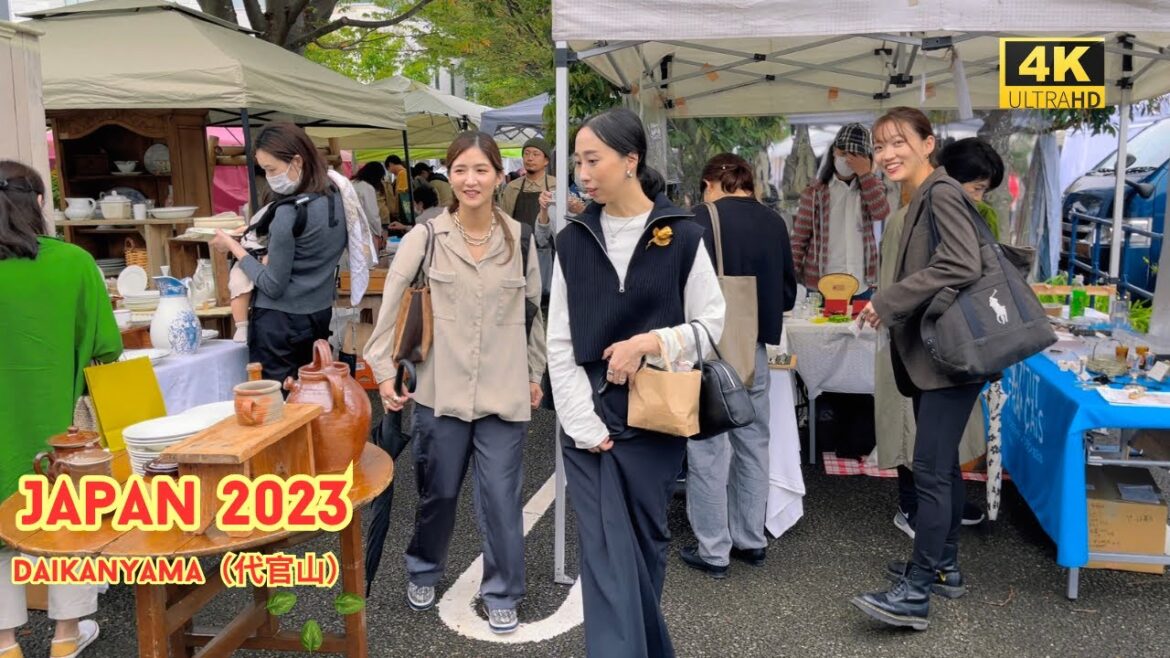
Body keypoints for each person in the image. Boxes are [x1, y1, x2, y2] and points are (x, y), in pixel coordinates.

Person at [548, 108, 725, 657]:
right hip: (589, 419)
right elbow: (559, 341)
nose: (582, 172)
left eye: (593, 159)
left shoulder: (684, 235)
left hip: (655, 420)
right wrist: (582, 424)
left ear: (631, 161)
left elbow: (711, 326)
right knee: (603, 557)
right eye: (577, 161)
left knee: (646, 545)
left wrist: (649, 342)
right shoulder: (573, 240)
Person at [364, 131, 545, 635]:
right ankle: (423, 566)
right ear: (450, 175)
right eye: (461, 170)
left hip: (503, 392)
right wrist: (383, 373)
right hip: (439, 391)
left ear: (497, 176)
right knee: (437, 493)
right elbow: (391, 307)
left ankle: (503, 590)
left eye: (481, 170)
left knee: (502, 499)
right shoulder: (425, 237)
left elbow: (534, 315)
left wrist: (535, 374)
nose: (471, 180)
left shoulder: (521, 239)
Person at [855, 107, 988, 631]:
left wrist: (889, 300)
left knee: (931, 471)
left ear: (927, 143)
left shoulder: (942, 192)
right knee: (941, 468)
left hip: (949, 356)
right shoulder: (921, 197)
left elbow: (961, 263)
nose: (887, 154)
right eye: (880, 146)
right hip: (939, 356)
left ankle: (916, 592)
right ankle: (943, 566)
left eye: (898, 143)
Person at [0, 160, 113, 658]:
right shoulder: (73, 262)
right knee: (69, 522)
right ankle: (66, 637)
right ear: (38, 204)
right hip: (58, 431)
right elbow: (106, 348)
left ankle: (5, 643)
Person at [678, 154, 796, 578]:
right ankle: (751, 538)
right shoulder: (774, 222)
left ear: (712, 182)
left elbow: (680, 286)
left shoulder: (698, 219)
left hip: (708, 350)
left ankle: (713, 548)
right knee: (753, 441)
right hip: (755, 349)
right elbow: (787, 294)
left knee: (708, 446)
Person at [211, 123, 348, 383]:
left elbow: (273, 285)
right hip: (318, 314)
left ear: (296, 160)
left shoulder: (289, 212)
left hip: (279, 324)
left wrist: (234, 247)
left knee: (277, 404)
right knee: (312, 396)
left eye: (271, 169)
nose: (269, 176)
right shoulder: (335, 198)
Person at [791, 123, 891, 297]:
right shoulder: (815, 192)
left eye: (855, 155)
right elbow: (799, 240)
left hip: (861, 283)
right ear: (833, 152)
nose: (848, 160)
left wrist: (865, 174)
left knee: (859, 325)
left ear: (866, 158)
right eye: (843, 153)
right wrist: (790, 277)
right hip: (821, 284)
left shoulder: (872, 187)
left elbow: (880, 212)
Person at [937, 137, 1005, 240]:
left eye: (985, 191)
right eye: (977, 188)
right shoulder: (924, 212)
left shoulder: (985, 215)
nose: (979, 198)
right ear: (953, 179)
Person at [351, 161, 388, 240]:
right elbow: (372, 215)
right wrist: (379, 233)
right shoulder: (367, 188)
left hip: (351, 229)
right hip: (365, 232)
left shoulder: (352, 183)